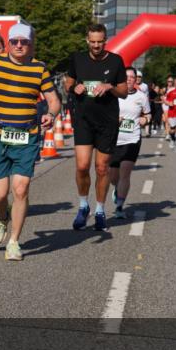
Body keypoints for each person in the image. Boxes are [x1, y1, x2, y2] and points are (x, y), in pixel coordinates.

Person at [0, 21, 60, 260]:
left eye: (24, 42)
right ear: (8, 43)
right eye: (15, 41)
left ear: (31, 44)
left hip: (26, 136)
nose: (19, 45)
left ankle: (14, 242)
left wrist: (51, 115)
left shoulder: (39, 69)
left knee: (21, 189)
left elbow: (54, 100)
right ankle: (2, 216)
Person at [64, 23, 128, 231]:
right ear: (87, 40)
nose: (96, 46)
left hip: (107, 122)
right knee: (82, 166)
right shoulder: (78, 59)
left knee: (102, 168)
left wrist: (110, 87)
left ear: (105, 40)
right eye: (92, 42)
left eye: (100, 42)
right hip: (83, 120)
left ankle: (100, 210)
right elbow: (67, 83)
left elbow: (124, 92)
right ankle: (83, 206)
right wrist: (75, 87)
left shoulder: (116, 61)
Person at [109, 68, 150, 219]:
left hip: (133, 139)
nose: (129, 79)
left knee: (125, 173)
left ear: (136, 79)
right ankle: (117, 188)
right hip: (114, 139)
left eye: (132, 77)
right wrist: (114, 119)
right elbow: (104, 113)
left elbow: (148, 114)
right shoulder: (113, 94)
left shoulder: (141, 97)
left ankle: (119, 206)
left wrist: (145, 119)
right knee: (113, 177)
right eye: (126, 77)